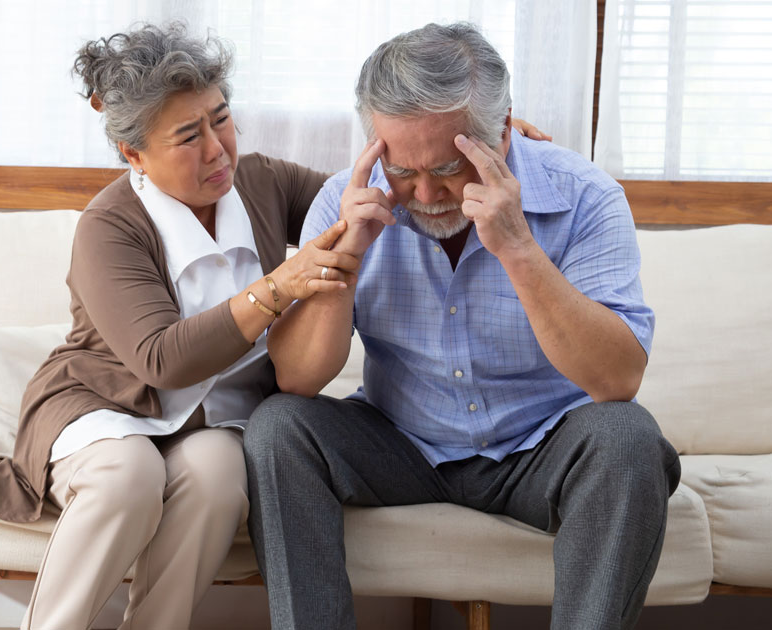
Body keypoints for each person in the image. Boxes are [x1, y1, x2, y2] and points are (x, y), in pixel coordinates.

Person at [0, 22, 549, 630]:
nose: (217, 149)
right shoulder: (109, 226)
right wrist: (282, 285)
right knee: (127, 477)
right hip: (109, 405)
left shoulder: (262, 181)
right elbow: (163, 360)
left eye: (220, 119)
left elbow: (377, 190)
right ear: (134, 154)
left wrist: (483, 143)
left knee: (219, 477)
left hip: (213, 419)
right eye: (188, 136)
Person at [244, 22, 681, 630]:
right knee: (278, 428)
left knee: (629, 438)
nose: (425, 193)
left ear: (501, 133)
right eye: (402, 171)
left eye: (449, 167)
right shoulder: (347, 202)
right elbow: (296, 379)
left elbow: (617, 379)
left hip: (542, 447)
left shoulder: (586, 198)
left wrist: (520, 251)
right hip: (401, 442)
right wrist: (346, 260)